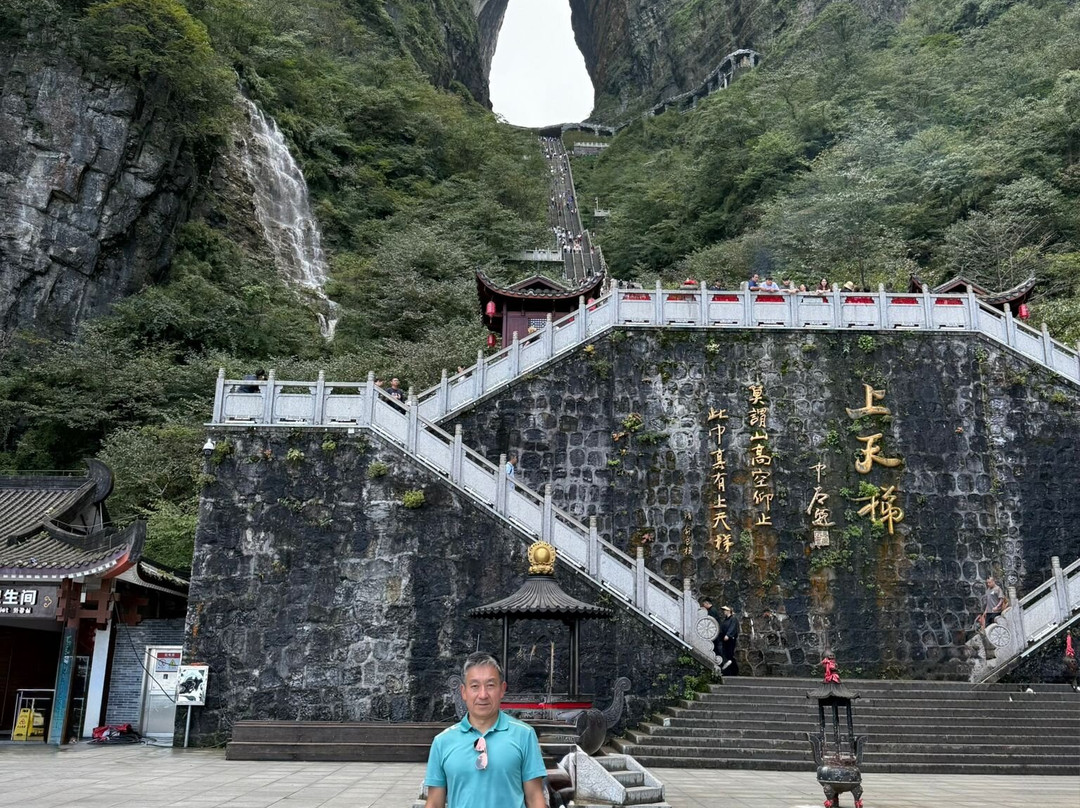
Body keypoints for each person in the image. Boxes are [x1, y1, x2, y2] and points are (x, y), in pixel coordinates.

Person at [424, 652, 547, 808]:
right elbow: (434, 803)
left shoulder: (524, 735)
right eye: (475, 686)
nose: (483, 695)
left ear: (502, 689)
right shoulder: (442, 742)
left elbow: (535, 799)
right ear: (463, 692)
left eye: (490, 685)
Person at [699, 596, 724, 666]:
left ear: (707, 603)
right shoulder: (712, 610)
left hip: (715, 634)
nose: (703, 606)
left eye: (704, 604)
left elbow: (711, 622)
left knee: (717, 649)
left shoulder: (712, 611)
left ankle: (720, 664)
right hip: (715, 633)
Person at [718, 605, 739, 675]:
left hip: (730, 639)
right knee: (726, 654)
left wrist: (728, 635)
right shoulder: (725, 620)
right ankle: (730, 671)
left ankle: (734, 671)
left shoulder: (733, 619)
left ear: (728, 611)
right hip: (724, 639)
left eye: (725, 610)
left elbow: (732, 627)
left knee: (730, 654)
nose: (724, 612)